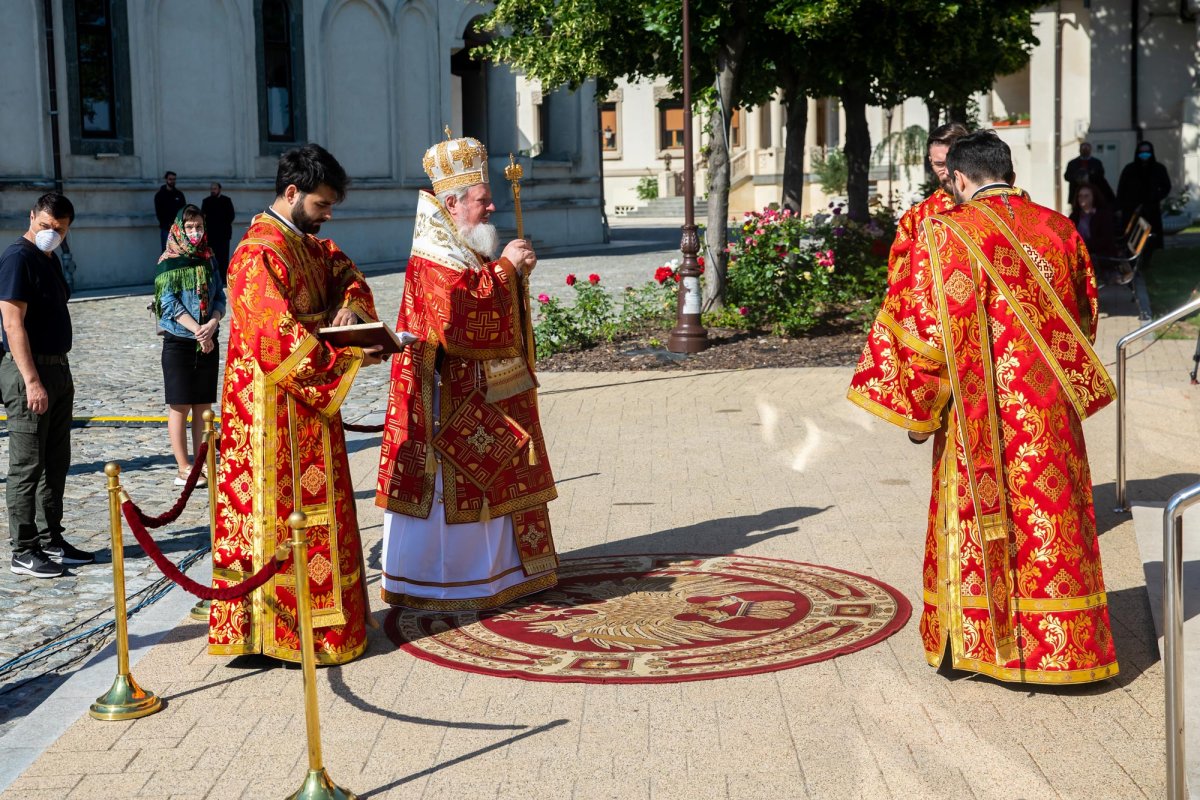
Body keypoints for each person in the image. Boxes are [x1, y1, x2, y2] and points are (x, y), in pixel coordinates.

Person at [847, 130, 1118, 685]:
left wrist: (920, 413)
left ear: (962, 179)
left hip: (981, 418)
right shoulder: (1060, 229)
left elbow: (924, 337)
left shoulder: (946, 233)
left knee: (987, 527)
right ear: (1010, 173)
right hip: (1051, 414)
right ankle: (1068, 652)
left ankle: (991, 649)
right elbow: (1085, 318)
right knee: (1054, 523)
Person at [207, 144, 384, 665]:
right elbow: (275, 342)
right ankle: (270, 635)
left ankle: (319, 625)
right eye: (322, 205)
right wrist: (349, 360)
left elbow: (348, 275)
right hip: (267, 419)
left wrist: (351, 310)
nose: (328, 216)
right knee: (276, 520)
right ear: (292, 193)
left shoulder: (309, 245)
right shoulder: (257, 253)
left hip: (309, 412)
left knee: (313, 516)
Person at [375, 134, 559, 610]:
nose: (492, 207)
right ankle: (446, 583)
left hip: (479, 393)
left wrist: (513, 276)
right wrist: (505, 272)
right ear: (452, 204)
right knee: (453, 494)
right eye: (482, 200)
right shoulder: (433, 254)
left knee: (494, 481)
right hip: (444, 402)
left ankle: (498, 575)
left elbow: (489, 305)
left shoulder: (466, 247)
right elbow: (458, 320)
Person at [0, 193, 95, 578]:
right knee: (27, 465)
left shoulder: (49, 259)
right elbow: (12, 323)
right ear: (32, 217)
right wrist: (32, 381)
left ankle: (50, 538)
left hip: (57, 370)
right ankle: (23, 549)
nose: (51, 234)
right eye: (45, 226)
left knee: (56, 462)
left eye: (59, 229)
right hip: (30, 373)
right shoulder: (18, 258)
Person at [152, 205, 226, 486]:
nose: (195, 232)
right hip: (180, 342)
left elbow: (219, 294)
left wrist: (213, 323)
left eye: (199, 226)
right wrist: (198, 331)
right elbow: (167, 304)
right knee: (180, 405)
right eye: (190, 227)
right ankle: (183, 466)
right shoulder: (168, 261)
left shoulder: (209, 258)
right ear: (179, 229)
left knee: (203, 406)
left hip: (207, 337)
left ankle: (201, 462)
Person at [885, 123, 970, 289]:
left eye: (953, 162)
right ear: (930, 162)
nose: (948, 171)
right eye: (939, 164)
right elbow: (899, 280)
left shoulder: (997, 206)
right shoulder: (916, 217)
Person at [1117, 140, 1172, 259]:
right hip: (1132, 208)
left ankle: (1150, 257)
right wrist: (1120, 207)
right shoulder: (1129, 169)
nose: (1144, 154)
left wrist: (1156, 196)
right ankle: (1132, 258)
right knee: (1133, 236)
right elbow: (1121, 189)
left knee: (1150, 236)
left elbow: (1166, 187)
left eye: (1147, 152)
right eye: (1142, 152)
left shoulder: (1158, 168)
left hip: (1151, 208)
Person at [1069, 184, 1120, 279]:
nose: (1082, 198)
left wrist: (1083, 247)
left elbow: (1106, 240)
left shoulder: (1103, 215)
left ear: (1094, 197)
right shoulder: (1075, 215)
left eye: (1086, 196)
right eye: (1080, 196)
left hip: (1099, 254)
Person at [200, 182, 236, 278]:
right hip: (211, 235)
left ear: (219, 189)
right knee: (211, 257)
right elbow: (202, 217)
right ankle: (212, 277)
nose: (213, 190)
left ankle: (224, 278)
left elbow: (231, 216)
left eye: (215, 188)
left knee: (223, 257)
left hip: (223, 235)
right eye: (211, 188)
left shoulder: (226, 201)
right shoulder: (206, 201)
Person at [1063, 141, 1115, 207]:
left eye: (1087, 148)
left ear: (1090, 150)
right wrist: (1077, 177)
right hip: (1075, 193)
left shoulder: (1096, 162)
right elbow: (1066, 176)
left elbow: (1100, 176)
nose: (1085, 150)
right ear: (1079, 150)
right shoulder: (1072, 163)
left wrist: (1089, 177)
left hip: (1093, 193)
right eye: (1083, 148)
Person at [154, 171, 186, 251]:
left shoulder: (179, 194)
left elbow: (184, 210)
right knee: (166, 252)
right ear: (166, 179)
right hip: (166, 228)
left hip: (178, 229)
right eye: (170, 179)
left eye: (174, 179)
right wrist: (166, 224)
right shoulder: (160, 195)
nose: (172, 181)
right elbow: (159, 212)